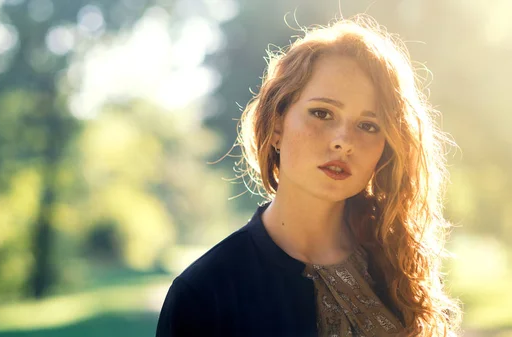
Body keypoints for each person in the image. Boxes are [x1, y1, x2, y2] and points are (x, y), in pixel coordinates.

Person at [156, 15, 461, 337]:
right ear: (276, 126)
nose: (342, 140)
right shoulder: (204, 294)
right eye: (322, 113)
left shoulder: (398, 265)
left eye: (368, 125)